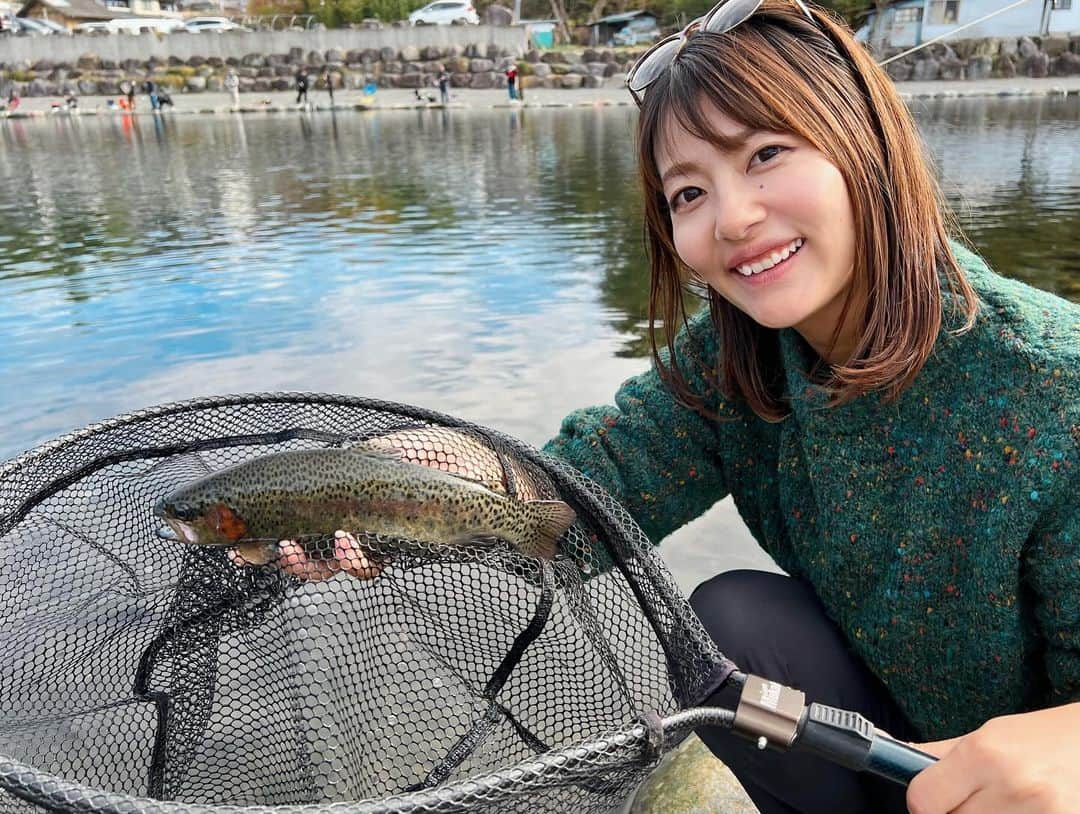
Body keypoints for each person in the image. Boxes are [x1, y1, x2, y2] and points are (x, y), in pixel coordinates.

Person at [243, 0, 1079, 811]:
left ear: (863, 141)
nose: (735, 217)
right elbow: (587, 489)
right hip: (901, 745)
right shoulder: (736, 353)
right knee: (729, 621)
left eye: (765, 154)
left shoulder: (1050, 390)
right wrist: (436, 486)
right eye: (688, 193)